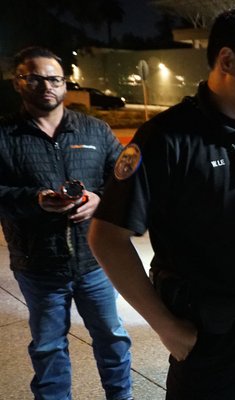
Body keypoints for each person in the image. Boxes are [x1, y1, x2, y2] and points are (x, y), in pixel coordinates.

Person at [87, 6, 235, 399]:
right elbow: (106, 237)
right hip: (206, 338)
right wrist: (167, 328)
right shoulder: (167, 139)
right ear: (227, 60)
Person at [0, 47, 132, 400]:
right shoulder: (4, 135)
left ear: (64, 83)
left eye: (54, 78)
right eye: (35, 77)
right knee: (48, 348)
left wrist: (100, 199)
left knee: (112, 338)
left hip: (95, 261)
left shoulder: (94, 129)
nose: (46, 86)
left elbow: (123, 181)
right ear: (19, 82)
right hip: (38, 264)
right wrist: (34, 199)